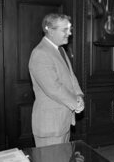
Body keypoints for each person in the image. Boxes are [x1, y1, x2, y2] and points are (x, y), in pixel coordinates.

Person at [29, 13, 84, 147]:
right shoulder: (40, 53)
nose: (69, 33)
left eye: (70, 29)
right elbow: (53, 88)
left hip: (62, 121)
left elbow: (71, 77)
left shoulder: (60, 50)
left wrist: (79, 95)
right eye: (65, 29)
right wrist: (75, 103)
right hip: (50, 125)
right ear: (49, 30)